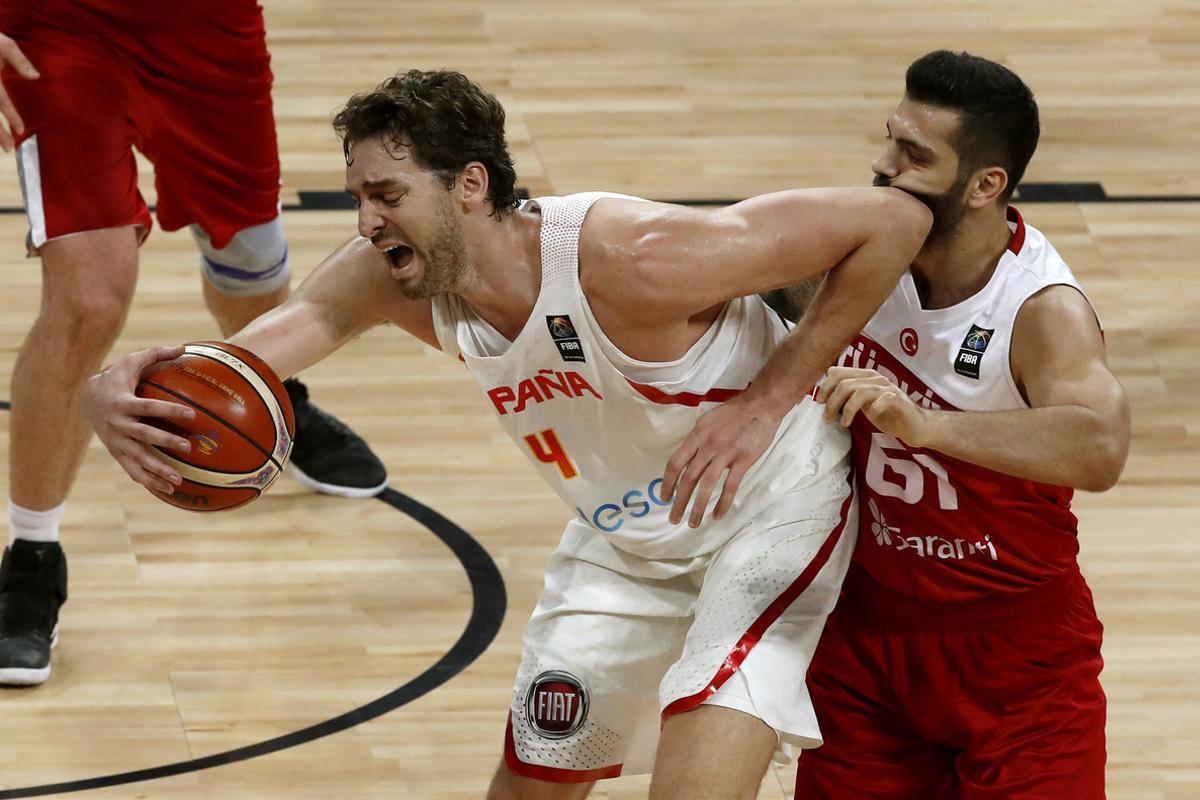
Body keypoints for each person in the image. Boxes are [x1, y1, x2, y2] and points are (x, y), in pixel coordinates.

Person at [83, 68, 931, 798]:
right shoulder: (388, 279)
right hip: (628, 536)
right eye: (358, 198)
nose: (366, 223)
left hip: (770, 510)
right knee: (532, 780)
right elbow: (242, 369)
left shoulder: (632, 257)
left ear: (470, 186)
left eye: (387, 196)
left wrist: (766, 401)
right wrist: (112, 394)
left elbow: (891, 224)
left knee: (695, 772)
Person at [667, 50, 1131, 799]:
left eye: (914, 155)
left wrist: (929, 425)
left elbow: (1101, 447)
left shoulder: (1041, 309)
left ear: (986, 185)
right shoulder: (856, 252)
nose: (883, 167)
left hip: (1018, 657)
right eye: (889, 140)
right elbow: (696, 269)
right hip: (863, 640)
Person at [0, 0, 388, 687]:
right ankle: (31, 559)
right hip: (52, 26)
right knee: (88, 304)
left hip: (207, 30)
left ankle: (277, 396)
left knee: (249, 258)